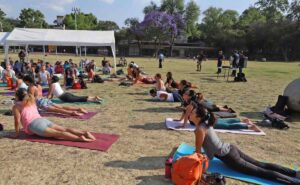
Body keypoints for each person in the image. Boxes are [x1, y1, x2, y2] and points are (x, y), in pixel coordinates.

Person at [190, 104, 300, 184]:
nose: (190, 114)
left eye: (192, 113)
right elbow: (209, 147)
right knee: (261, 164)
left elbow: (198, 153)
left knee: (261, 172)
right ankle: (295, 173)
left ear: (198, 117)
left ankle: (294, 182)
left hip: (230, 157)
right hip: (231, 148)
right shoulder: (205, 124)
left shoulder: (199, 129)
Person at [12, 88, 96, 142]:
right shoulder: (31, 101)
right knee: (64, 129)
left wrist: (16, 133)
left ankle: (79, 138)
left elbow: (17, 121)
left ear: (17, 96)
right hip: (42, 120)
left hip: (34, 124)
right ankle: (84, 133)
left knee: (59, 133)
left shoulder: (16, 107)